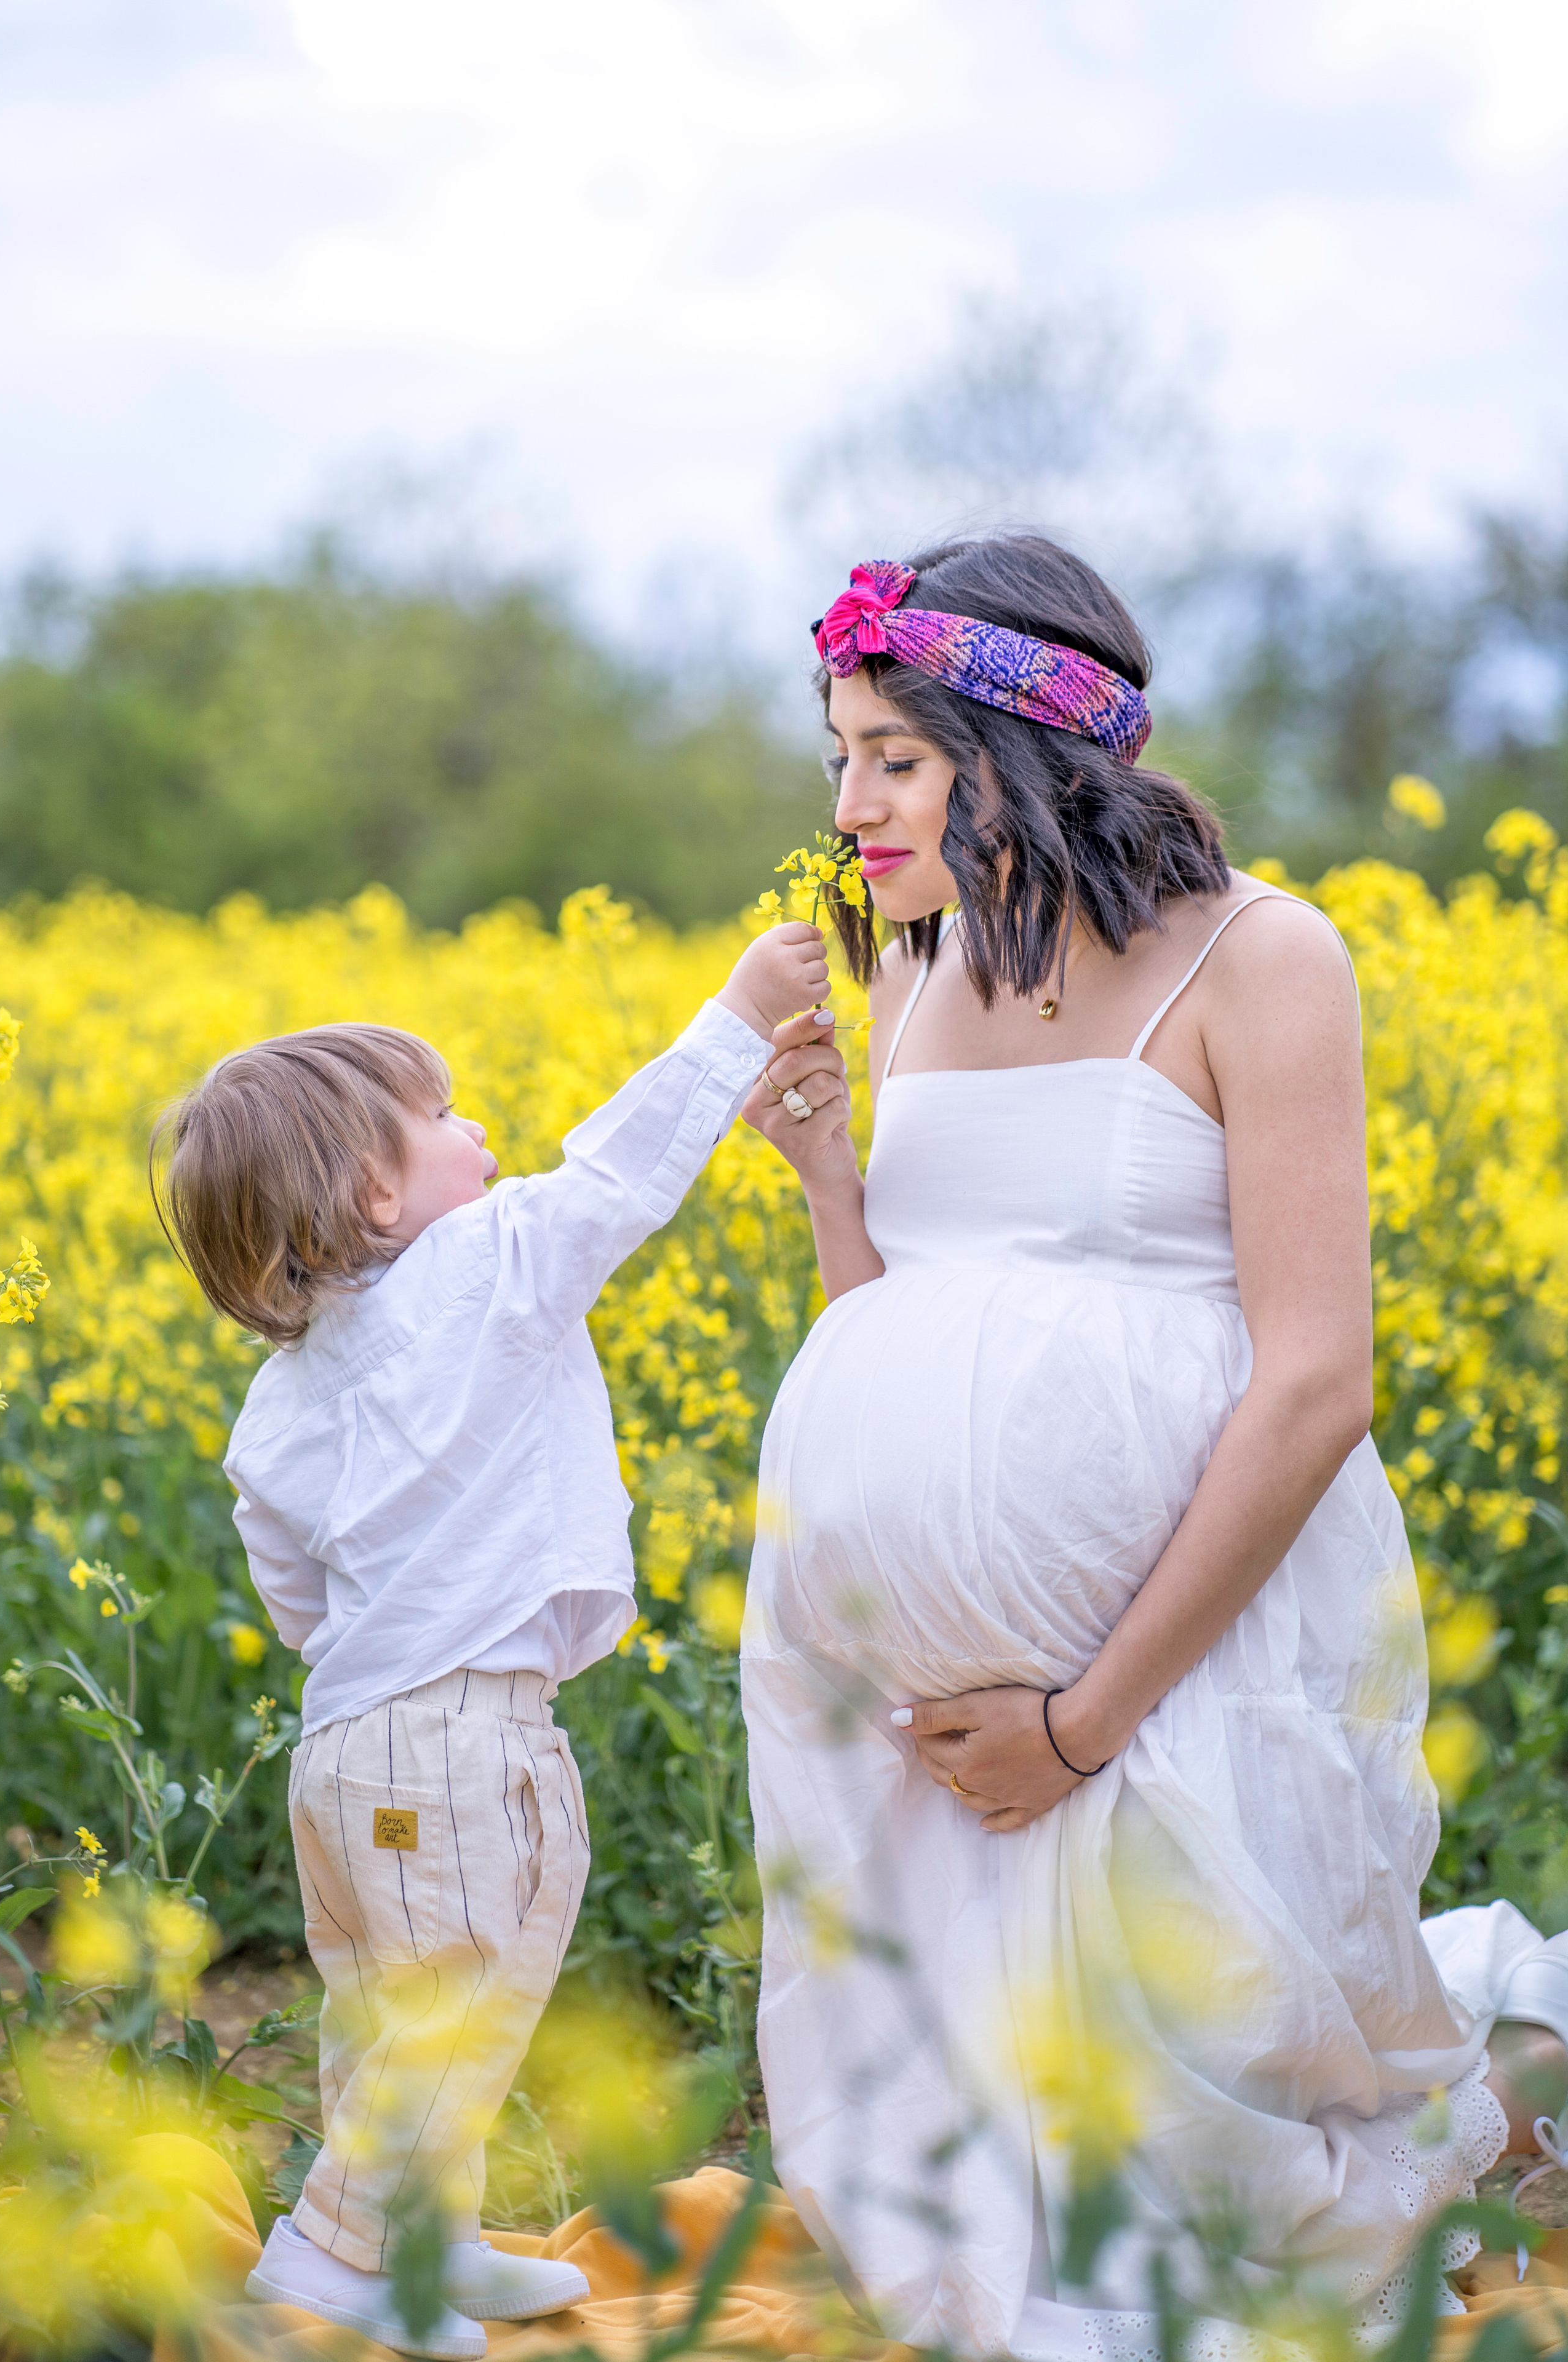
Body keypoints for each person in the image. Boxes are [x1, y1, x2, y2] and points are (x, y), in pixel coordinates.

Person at [739, 538, 1568, 2356]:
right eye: (838, 757)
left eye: (892, 754)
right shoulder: (918, 966)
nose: (851, 804)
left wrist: (1081, 1724)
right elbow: (913, 1327)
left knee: (1235, 2216)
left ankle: (1522, 2094)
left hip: (1176, 1667)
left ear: (1025, 746)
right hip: (944, 1726)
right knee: (999, 2220)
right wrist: (825, 1180)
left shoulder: (1267, 958)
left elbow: (1314, 1384)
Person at [151, 920, 829, 2360]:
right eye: (448, 1118)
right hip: (454, 1734)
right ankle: (337, 2268)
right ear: (374, 1191)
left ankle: (423, 2237)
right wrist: (732, 1018)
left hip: (355, 1740)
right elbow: (615, 1178)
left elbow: (288, 1583)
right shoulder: (485, 1266)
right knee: (455, 2008)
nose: (484, 1133)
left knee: (392, 2014)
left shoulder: (279, 1395)